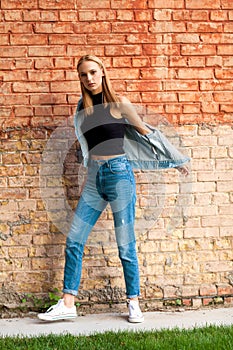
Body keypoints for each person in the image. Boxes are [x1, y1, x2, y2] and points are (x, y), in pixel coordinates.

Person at [38, 55, 189, 323]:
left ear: (103, 72)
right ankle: (68, 303)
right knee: (74, 239)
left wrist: (175, 160)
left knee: (125, 245)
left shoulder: (120, 104)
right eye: (84, 75)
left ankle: (133, 302)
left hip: (119, 176)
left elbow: (146, 132)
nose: (89, 78)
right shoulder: (81, 109)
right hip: (93, 179)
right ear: (80, 79)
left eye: (93, 72)